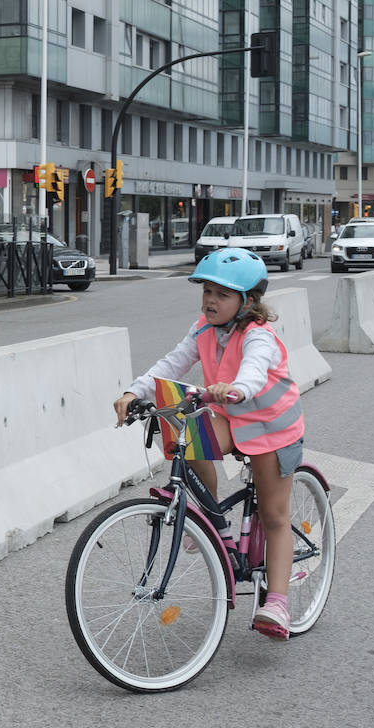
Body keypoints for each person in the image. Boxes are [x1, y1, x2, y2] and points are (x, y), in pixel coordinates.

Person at [113, 247, 304, 640]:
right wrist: (134, 391)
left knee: (274, 515)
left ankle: (278, 605)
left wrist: (234, 388)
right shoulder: (202, 328)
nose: (211, 301)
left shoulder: (259, 336)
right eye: (207, 292)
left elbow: (253, 372)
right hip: (234, 418)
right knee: (185, 430)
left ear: (247, 301)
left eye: (222, 294)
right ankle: (214, 522)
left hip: (270, 426)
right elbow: (172, 363)